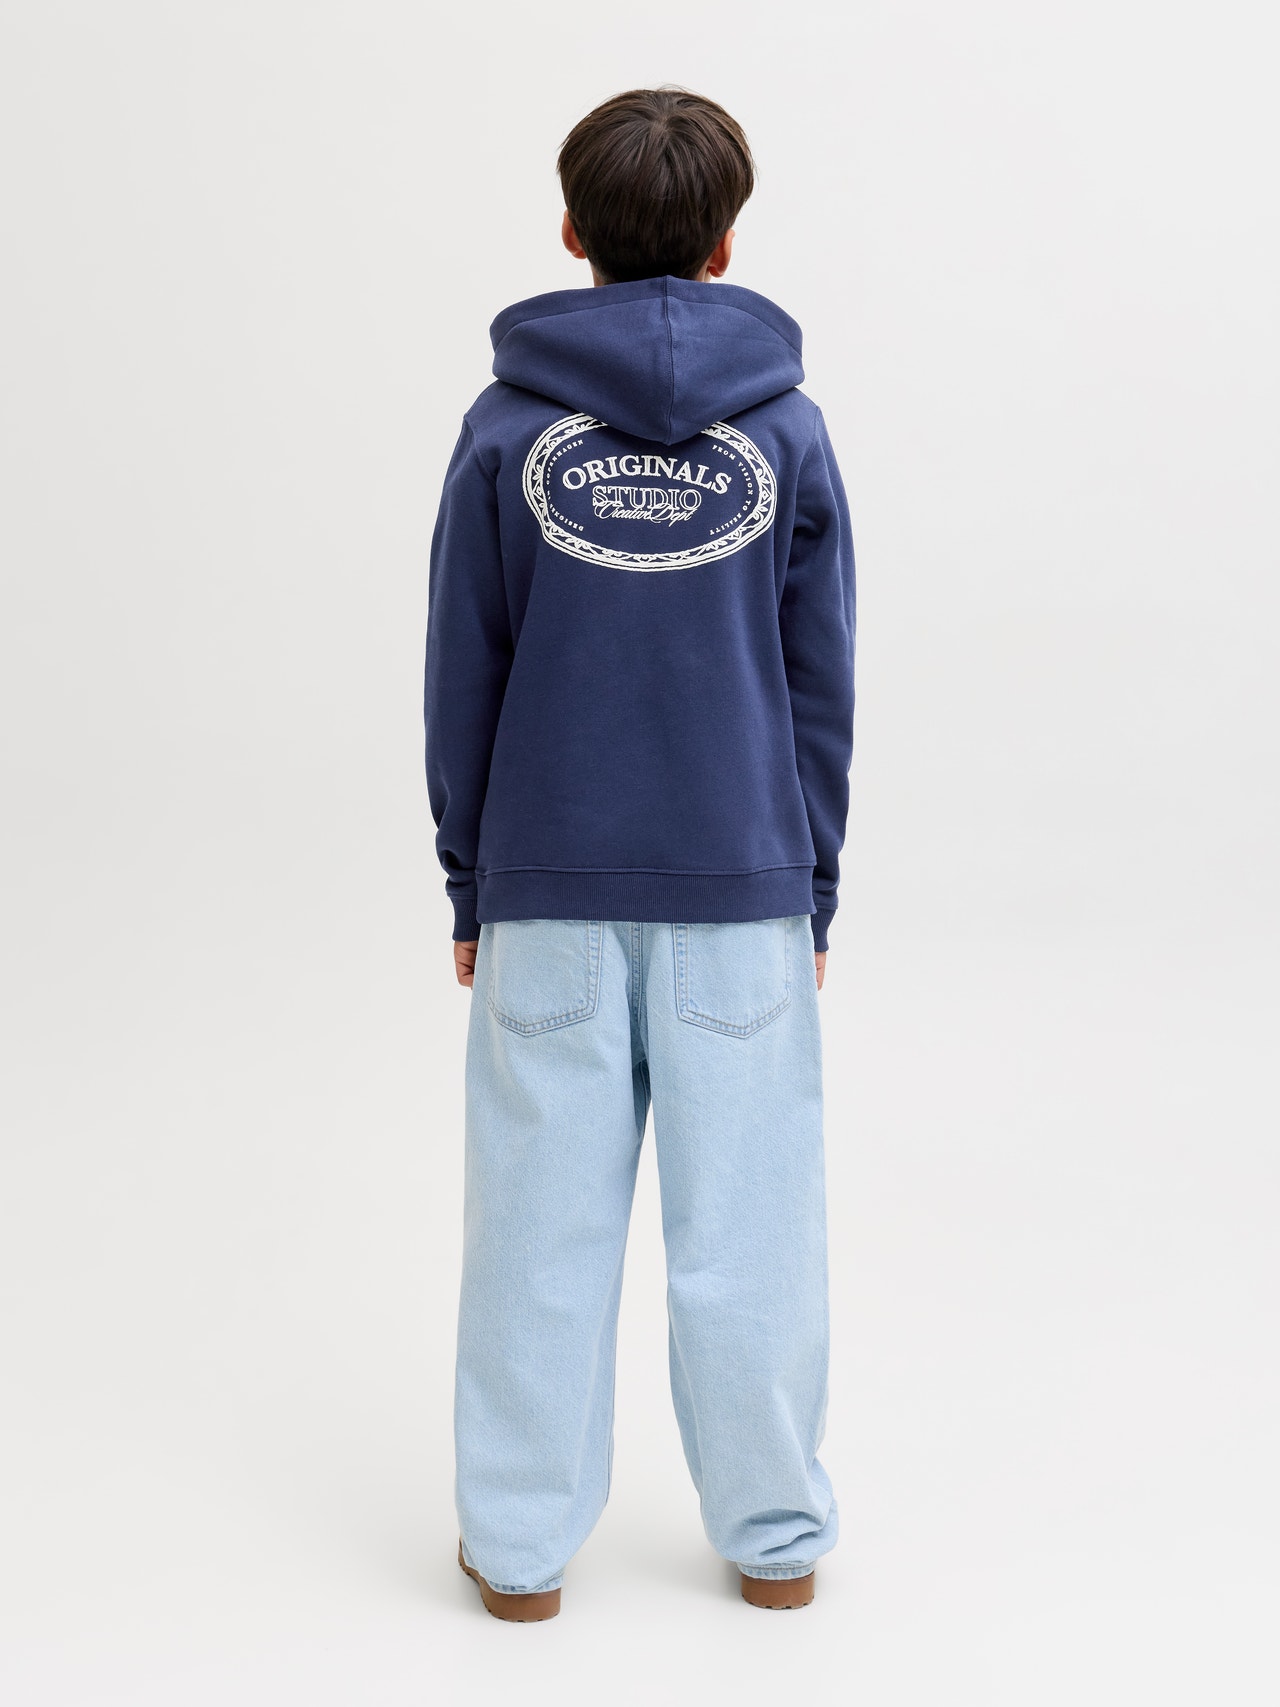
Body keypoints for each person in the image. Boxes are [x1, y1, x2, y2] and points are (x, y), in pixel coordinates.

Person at [423, 86, 856, 1621]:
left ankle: (519, 1555)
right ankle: (775, 1544)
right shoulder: (788, 431)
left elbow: (463, 669)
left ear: (570, 233)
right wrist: (813, 887)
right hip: (739, 891)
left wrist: (472, 879)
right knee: (749, 1236)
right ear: (728, 244)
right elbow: (820, 680)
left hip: (549, 890)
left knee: (538, 1238)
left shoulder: (504, 429)